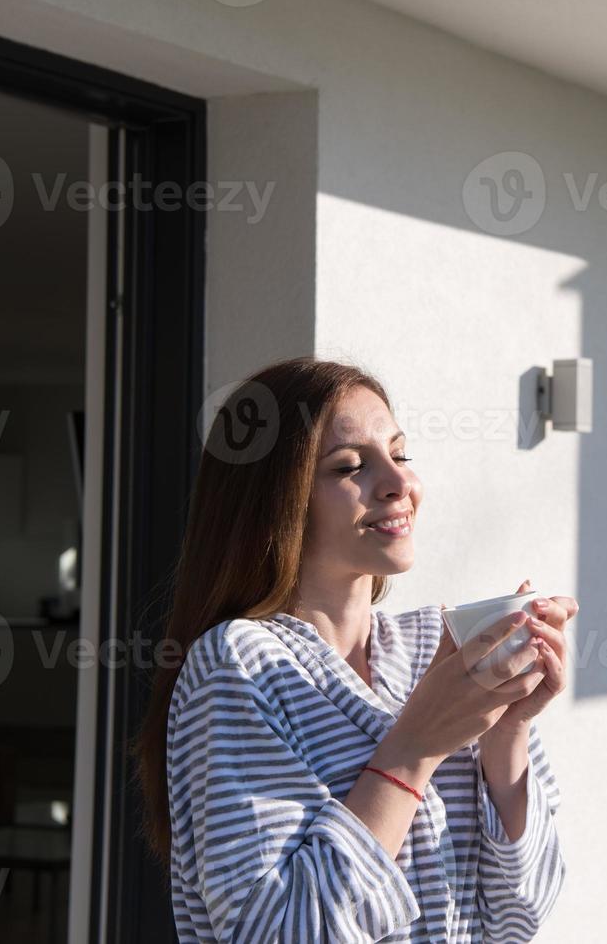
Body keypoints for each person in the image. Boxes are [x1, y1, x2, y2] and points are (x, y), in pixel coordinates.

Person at [131, 357, 573, 942]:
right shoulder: (241, 665)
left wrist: (505, 734)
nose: (399, 483)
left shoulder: (433, 648)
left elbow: (520, 917)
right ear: (276, 500)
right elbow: (282, 932)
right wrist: (414, 747)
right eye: (350, 466)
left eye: (401, 453)